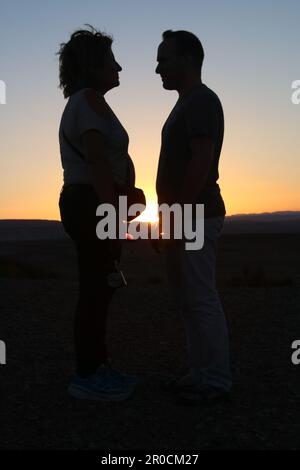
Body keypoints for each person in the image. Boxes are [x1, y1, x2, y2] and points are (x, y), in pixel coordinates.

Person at [57, 26, 137, 400]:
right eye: (110, 61)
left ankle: (97, 367)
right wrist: (113, 216)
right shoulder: (88, 99)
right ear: (93, 66)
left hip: (89, 202)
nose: (118, 66)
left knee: (99, 287)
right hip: (91, 203)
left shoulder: (83, 100)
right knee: (96, 288)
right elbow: (98, 160)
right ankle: (87, 377)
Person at [154, 30, 232, 404]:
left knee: (200, 297)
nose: (158, 69)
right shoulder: (188, 102)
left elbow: (202, 160)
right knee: (188, 298)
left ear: (187, 59)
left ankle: (215, 380)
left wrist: (178, 215)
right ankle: (201, 373)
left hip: (196, 217)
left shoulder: (201, 101)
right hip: (186, 216)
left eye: (164, 59)